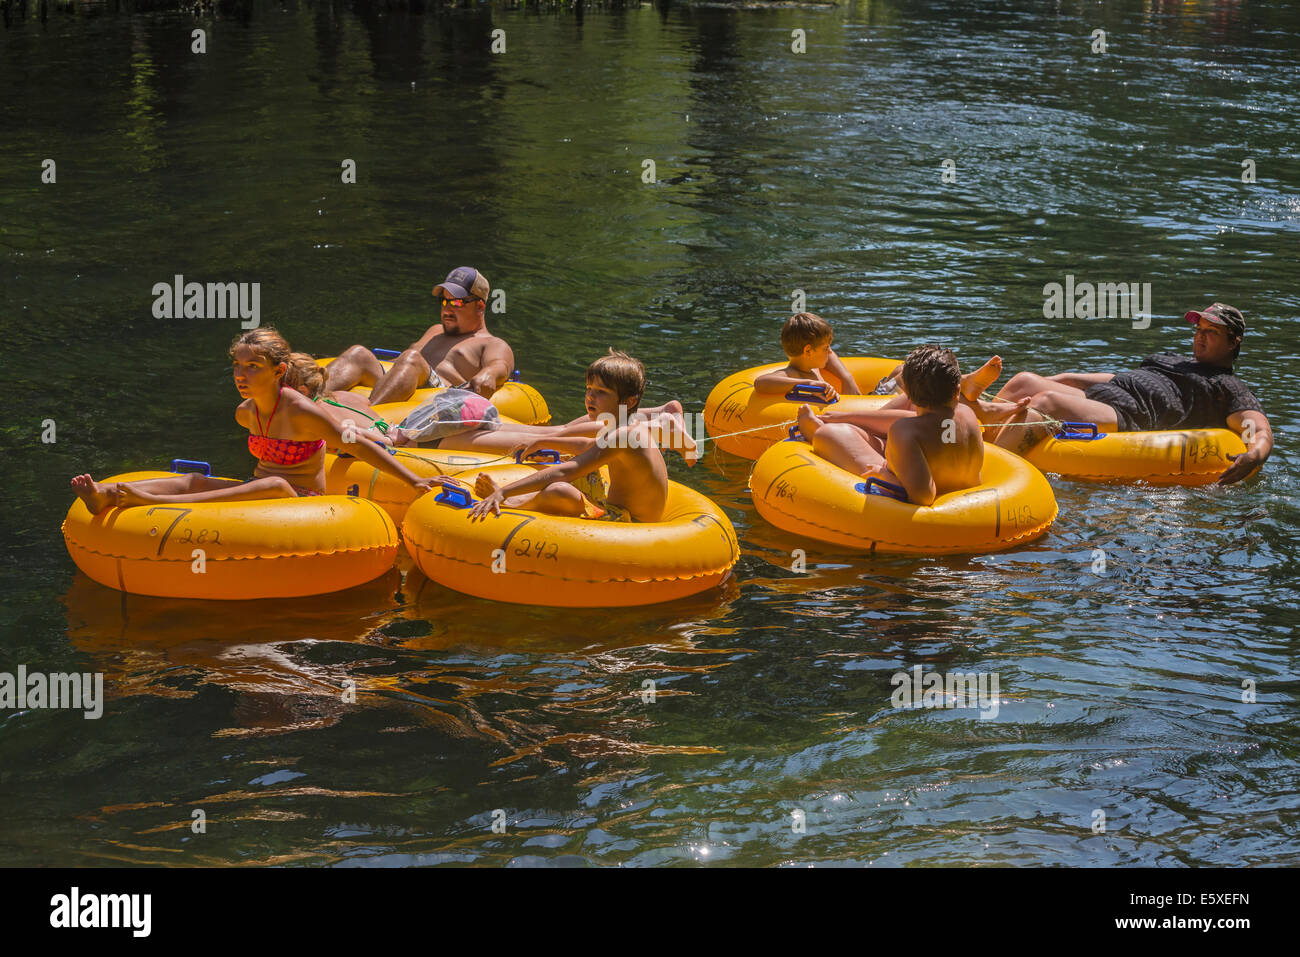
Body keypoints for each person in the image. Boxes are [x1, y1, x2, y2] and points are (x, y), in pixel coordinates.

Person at [70, 329, 451, 512]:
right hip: (261, 487)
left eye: (252, 367)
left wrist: (415, 479)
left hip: (300, 499)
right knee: (192, 479)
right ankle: (107, 493)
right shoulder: (245, 413)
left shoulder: (300, 409)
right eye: (237, 366)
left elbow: (356, 445)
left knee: (269, 484)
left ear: (278, 371)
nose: (241, 375)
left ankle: (147, 501)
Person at [987, 303, 1272, 484]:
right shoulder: (1175, 359)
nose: (1200, 335)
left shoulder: (1227, 385)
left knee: (1045, 403)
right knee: (1025, 381)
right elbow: (1120, 377)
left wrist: (1255, 455)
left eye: (1211, 332)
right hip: (1108, 393)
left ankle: (987, 470)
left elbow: (1256, 426)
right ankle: (974, 444)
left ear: (1233, 342)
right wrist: (1064, 378)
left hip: (1130, 414)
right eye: (1199, 328)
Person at [467, 351, 688, 524]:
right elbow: (588, 445)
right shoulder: (624, 425)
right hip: (619, 509)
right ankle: (522, 496)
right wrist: (545, 441)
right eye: (589, 388)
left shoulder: (625, 434)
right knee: (583, 472)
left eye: (601, 392)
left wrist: (506, 491)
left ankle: (515, 503)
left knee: (560, 490)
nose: (591, 396)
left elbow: (569, 470)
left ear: (629, 402)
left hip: (631, 522)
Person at [795, 344, 983, 506]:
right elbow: (932, 427)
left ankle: (817, 431)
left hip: (919, 502)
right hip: (965, 495)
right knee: (897, 431)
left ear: (907, 392)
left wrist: (886, 475)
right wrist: (845, 416)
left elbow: (924, 497)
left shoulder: (907, 431)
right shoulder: (968, 415)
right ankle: (840, 422)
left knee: (830, 435)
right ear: (957, 390)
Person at [324, 267, 515, 405]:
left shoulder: (491, 343)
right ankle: (310, 401)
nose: (447, 308)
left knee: (413, 358)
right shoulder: (435, 330)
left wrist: (489, 374)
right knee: (359, 353)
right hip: (401, 384)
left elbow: (500, 365)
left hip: (438, 395)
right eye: (443, 301)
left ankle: (368, 417)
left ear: (480, 306)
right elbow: (399, 364)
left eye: (455, 303)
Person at [752, 312, 873, 401]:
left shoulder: (813, 367)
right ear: (808, 351)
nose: (830, 352)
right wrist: (809, 384)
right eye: (826, 348)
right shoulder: (794, 374)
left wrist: (847, 379)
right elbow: (760, 382)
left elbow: (830, 357)